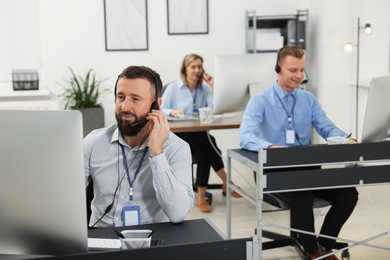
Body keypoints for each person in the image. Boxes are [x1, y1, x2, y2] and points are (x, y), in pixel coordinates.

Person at [239, 46, 359, 259]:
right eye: (293, 70)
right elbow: (246, 137)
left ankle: (325, 244)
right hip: (274, 170)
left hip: (308, 168)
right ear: (279, 69)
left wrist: (346, 139)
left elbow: (327, 128)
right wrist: (271, 147)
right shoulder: (260, 101)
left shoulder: (308, 100)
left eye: (302, 70)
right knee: (302, 194)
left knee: (348, 194)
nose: (299, 76)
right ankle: (313, 252)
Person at [84, 65, 194, 228]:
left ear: (156, 106)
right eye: (121, 97)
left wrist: (157, 153)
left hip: (152, 241)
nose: (125, 107)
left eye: (135, 99)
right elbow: (65, 197)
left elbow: (178, 213)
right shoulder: (93, 142)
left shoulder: (177, 148)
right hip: (102, 240)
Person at [161, 53, 241, 213]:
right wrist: (172, 111)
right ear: (185, 69)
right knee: (207, 143)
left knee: (204, 151)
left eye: (200, 67)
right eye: (193, 67)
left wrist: (213, 86)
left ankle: (202, 198)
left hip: (199, 135)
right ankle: (226, 182)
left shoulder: (204, 89)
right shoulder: (173, 88)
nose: (197, 70)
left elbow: (216, 109)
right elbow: (160, 109)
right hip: (179, 137)